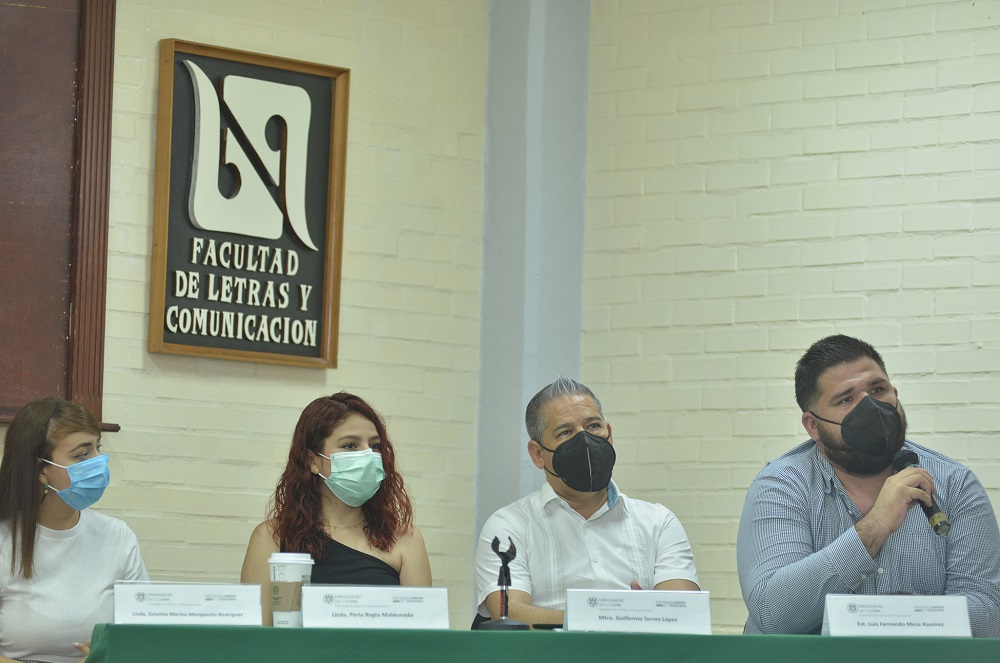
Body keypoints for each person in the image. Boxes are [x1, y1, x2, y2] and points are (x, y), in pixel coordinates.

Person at [737, 335, 1000, 636]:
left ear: (895, 394)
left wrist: (897, 617)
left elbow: (990, 613)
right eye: (845, 399)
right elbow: (774, 615)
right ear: (813, 425)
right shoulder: (781, 486)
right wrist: (874, 526)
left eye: (877, 390)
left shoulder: (954, 484)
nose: (871, 408)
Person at [473, 377, 700, 627]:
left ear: (609, 435)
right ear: (538, 454)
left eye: (593, 426)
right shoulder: (508, 527)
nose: (584, 440)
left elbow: (683, 613)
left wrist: (625, 616)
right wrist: (614, 616)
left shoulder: (658, 522)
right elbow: (509, 615)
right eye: (565, 432)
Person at [241, 392, 431, 625]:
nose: (368, 456)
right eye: (350, 445)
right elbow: (256, 637)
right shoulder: (272, 537)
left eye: (375, 446)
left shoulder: (405, 540)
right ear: (312, 461)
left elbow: (421, 638)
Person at [0, 398, 148, 663]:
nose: (99, 462)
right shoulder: (4, 540)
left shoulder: (118, 536)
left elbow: (142, 635)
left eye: (98, 448)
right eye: (81, 455)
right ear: (41, 470)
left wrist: (110, 656)